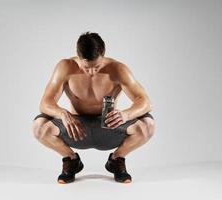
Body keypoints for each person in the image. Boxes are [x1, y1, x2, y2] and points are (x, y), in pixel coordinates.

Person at [32, 31, 155, 184]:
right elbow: (45, 103)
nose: (91, 72)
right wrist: (61, 113)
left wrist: (126, 115)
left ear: (103, 54)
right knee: (39, 127)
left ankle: (116, 160)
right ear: (78, 57)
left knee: (148, 126)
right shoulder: (65, 67)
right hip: (77, 129)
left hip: (109, 126)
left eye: (96, 67)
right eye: (86, 67)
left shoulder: (118, 69)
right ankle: (71, 160)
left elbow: (145, 101)